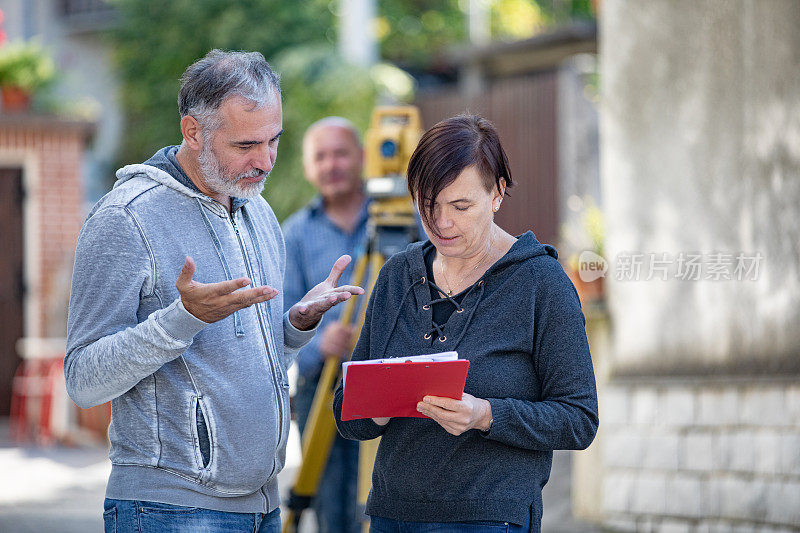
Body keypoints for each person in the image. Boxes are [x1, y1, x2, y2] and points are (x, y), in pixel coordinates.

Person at [64, 50, 363, 533]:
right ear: (193, 131)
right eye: (246, 145)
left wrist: (294, 326)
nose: (264, 162)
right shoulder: (126, 218)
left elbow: (238, 360)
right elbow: (83, 381)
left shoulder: (258, 212)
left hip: (263, 506)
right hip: (168, 511)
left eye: (274, 141)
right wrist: (184, 318)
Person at [332, 114, 598, 532]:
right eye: (428, 204)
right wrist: (379, 406)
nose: (442, 223)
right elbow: (347, 418)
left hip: (490, 519)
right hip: (392, 515)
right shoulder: (397, 275)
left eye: (461, 206)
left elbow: (578, 419)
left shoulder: (541, 283)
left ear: (498, 194)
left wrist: (485, 415)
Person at [281, 117, 367, 533]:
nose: (331, 164)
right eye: (321, 156)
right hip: (324, 389)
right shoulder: (293, 234)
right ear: (308, 166)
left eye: (340, 152)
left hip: (395, 385)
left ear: (362, 157)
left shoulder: (404, 222)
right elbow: (280, 324)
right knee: (332, 510)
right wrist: (319, 344)